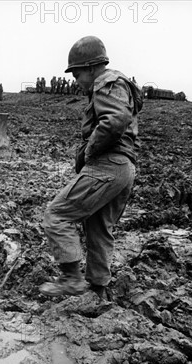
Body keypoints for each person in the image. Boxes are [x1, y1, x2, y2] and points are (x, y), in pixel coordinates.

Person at [39, 36, 143, 299]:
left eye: (76, 74)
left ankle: (71, 280)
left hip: (108, 165)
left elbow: (114, 120)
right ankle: (98, 288)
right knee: (98, 227)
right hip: (124, 168)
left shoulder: (105, 83)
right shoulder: (117, 85)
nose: (76, 81)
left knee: (57, 215)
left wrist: (88, 151)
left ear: (91, 67)